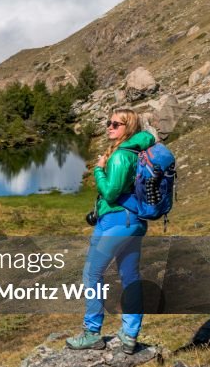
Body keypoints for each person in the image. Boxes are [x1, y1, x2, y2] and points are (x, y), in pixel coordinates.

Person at [66, 108, 156, 354]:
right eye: (109, 122)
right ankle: (129, 335)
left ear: (128, 127)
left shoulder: (120, 157)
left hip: (117, 222)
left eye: (116, 124)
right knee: (129, 276)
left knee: (92, 274)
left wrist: (97, 169)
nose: (109, 127)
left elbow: (111, 193)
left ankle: (92, 332)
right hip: (133, 220)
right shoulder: (138, 151)